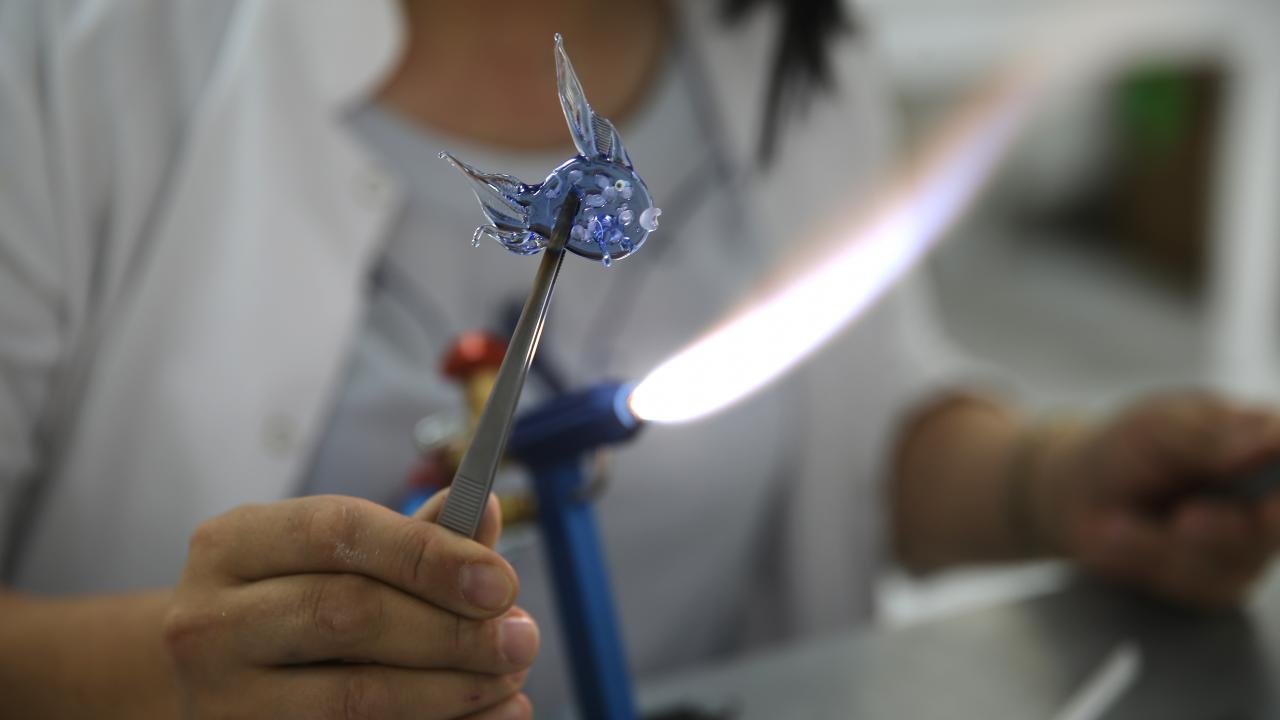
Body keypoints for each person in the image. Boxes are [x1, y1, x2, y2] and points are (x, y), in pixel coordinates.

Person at [1, 0, 1278, 717]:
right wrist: (180, 670)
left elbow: (857, 423)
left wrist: (1053, 484)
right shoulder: (74, 55)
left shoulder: (787, 44)